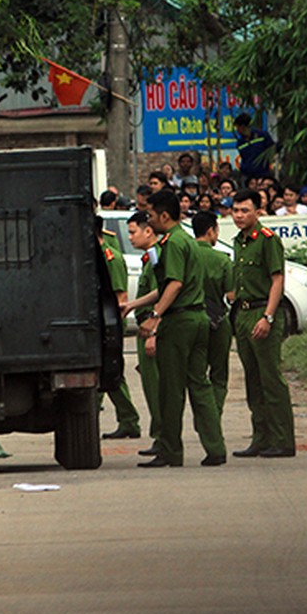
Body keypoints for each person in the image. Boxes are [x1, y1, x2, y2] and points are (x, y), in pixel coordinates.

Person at [119, 190, 227, 468]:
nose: (149, 219)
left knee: (170, 389)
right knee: (200, 385)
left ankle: (170, 451)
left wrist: (155, 317)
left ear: (164, 216)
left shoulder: (172, 244)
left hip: (179, 323)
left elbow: (174, 285)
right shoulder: (185, 240)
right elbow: (163, 287)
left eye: (151, 215)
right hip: (198, 319)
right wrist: (134, 305)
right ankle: (215, 448)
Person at [229, 189, 297, 458]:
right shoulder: (238, 241)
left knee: (271, 379)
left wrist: (268, 317)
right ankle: (261, 438)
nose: (239, 216)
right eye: (235, 210)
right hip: (243, 315)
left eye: (245, 210)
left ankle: (283, 440)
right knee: (253, 380)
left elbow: (277, 280)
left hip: (262, 313)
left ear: (258, 212)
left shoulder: (267, 240)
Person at [96, 215, 141, 440]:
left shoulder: (109, 258)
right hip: (101, 323)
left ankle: (128, 420)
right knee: (108, 373)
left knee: (108, 372)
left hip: (109, 324)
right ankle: (127, 420)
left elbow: (120, 295)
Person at [127, 211, 164, 457]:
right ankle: (160, 438)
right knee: (152, 389)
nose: (130, 237)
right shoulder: (148, 257)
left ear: (148, 231)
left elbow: (164, 293)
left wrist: (154, 331)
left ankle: (163, 439)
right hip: (145, 326)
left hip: (153, 328)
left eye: (133, 232)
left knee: (158, 389)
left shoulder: (157, 257)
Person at [192, 211, 234, 415]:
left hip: (191, 320)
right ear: (211, 231)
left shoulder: (185, 254)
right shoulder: (222, 259)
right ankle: (213, 415)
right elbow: (232, 294)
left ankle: (202, 416)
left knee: (197, 375)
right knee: (218, 374)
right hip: (217, 321)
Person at [234, 113, 278, 181]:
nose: (237, 130)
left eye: (237, 127)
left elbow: (272, 149)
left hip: (263, 173)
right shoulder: (240, 143)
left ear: (242, 127)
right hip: (247, 175)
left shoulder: (262, 136)